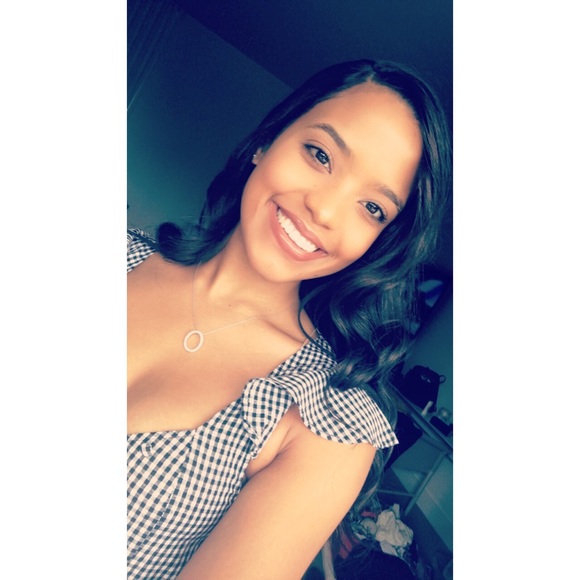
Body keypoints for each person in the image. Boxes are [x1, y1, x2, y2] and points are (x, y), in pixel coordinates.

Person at [127, 58, 451, 579]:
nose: (325, 210)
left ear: (378, 244)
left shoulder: (328, 422)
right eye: (321, 155)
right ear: (267, 140)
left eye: (372, 208)